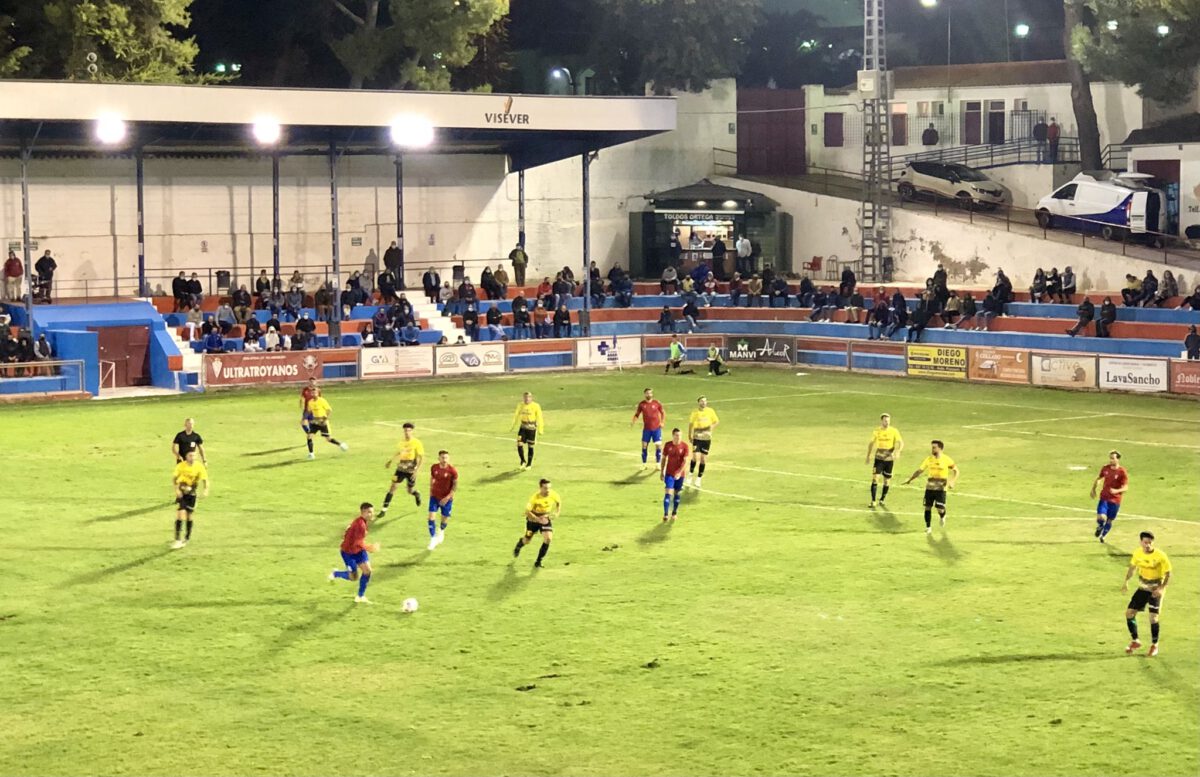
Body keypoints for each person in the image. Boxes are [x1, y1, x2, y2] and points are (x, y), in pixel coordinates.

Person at [1121, 531, 1170, 657]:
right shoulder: (1137, 553)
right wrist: (1126, 581)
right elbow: (1132, 568)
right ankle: (1135, 641)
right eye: (1145, 542)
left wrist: (1161, 589)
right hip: (1143, 588)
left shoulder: (1160, 556)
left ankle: (1155, 645)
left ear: (1153, 542)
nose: (1147, 545)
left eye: (1150, 542)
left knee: (1153, 618)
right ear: (1141, 542)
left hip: (1155, 589)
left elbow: (1168, 574)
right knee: (1129, 613)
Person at [902, 440, 959, 535]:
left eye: (934, 447)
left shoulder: (946, 459)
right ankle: (928, 527)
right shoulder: (929, 459)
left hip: (941, 488)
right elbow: (919, 471)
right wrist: (910, 479)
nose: (932, 449)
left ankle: (942, 516)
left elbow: (956, 471)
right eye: (932, 447)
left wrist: (952, 481)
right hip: (930, 488)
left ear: (940, 448)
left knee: (940, 508)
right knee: (927, 507)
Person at [327, 502, 379, 604]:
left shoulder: (360, 521)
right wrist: (370, 548)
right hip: (348, 553)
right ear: (363, 512)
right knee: (353, 577)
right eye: (369, 512)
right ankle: (336, 573)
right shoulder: (360, 525)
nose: (372, 514)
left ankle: (360, 596)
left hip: (358, 550)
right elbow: (357, 542)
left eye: (372, 512)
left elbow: (348, 533)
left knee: (367, 571)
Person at [378, 422, 424, 520]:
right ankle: (383, 510)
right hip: (400, 468)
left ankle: (416, 494)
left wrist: (416, 471)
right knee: (393, 487)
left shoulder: (416, 443)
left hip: (411, 469)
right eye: (405, 430)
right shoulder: (401, 442)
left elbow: (421, 457)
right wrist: (390, 461)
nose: (407, 432)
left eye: (409, 430)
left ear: (412, 431)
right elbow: (399, 452)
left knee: (409, 490)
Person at [513, 478, 561, 568]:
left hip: (545, 519)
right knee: (527, 539)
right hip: (532, 520)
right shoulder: (534, 498)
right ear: (540, 488)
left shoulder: (553, 494)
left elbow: (558, 502)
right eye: (545, 488)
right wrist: (537, 519)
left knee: (548, 539)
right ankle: (520, 544)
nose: (548, 490)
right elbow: (527, 512)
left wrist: (557, 512)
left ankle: (538, 561)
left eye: (549, 488)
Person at [169, 449, 209, 549]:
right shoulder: (181, 466)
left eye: (194, 456)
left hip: (192, 494)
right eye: (190, 455)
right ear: (186, 457)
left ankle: (186, 538)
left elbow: (205, 480)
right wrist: (177, 490)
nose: (192, 457)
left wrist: (205, 490)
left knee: (189, 516)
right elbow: (174, 479)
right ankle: (177, 539)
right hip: (182, 492)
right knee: (180, 514)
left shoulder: (199, 466)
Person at [866, 413, 904, 508]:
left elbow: (901, 442)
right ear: (881, 421)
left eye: (888, 421)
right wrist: (868, 455)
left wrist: (898, 451)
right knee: (875, 479)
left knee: (887, 481)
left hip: (889, 459)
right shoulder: (877, 431)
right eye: (885, 421)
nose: (887, 422)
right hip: (879, 458)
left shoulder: (894, 431)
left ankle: (882, 499)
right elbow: (871, 443)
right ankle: (873, 501)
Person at [1090, 450, 1128, 543]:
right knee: (1101, 517)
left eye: (1113, 458)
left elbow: (1126, 487)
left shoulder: (1122, 471)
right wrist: (1094, 488)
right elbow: (1099, 478)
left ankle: (1103, 536)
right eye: (1110, 458)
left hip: (1115, 500)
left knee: (1110, 520)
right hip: (1104, 498)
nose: (1111, 460)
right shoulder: (1105, 468)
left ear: (1118, 459)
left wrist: (1117, 490)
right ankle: (1100, 526)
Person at [424, 450, 458, 550]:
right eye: (442, 458)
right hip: (434, 496)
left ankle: (442, 530)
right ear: (439, 458)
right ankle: (433, 538)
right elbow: (432, 478)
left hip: (447, 498)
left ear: (449, 458)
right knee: (431, 517)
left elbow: (455, 486)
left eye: (446, 458)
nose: (444, 460)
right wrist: (431, 489)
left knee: (445, 518)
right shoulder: (434, 467)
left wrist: (447, 497)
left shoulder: (452, 471)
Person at [305, 388, 349, 459]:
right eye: (312, 393)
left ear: (318, 393)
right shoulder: (310, 402)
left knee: (328, 439)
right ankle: (311, 454)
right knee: (309, 436)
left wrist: (325, 419)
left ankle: (340, 444)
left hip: (323, 421)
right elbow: (309, 411)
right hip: (315, 422)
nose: (313, 394)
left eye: (315, 392)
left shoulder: (322, 401)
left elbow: (329, 410)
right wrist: (310, 419)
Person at [686, 396, 719, 488]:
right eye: (702, 401)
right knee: (695, 457)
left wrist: (710, 429)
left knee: (703, 459)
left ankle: (699, 479)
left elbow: (716, 421)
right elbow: (691, 424)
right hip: (697, 437)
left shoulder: (710, 411)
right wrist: (689, 434)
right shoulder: (695, 413)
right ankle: (690, 475)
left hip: (706, 438)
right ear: (698, 403)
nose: (704, 403)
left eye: (705, 401)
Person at [659, 428, 690, 522]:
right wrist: (661, 471)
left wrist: (680, 472)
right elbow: (664, 458)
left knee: (677, 494)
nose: (678, 437)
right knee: (668, 493)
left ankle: (674, 513)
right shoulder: (668, 445)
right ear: (673, 435)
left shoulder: (684, 446)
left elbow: (685, 461)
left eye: (680, 435)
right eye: (676, 435)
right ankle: (665, 514)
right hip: (669, 474)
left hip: (680, 475)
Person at [631, 387, 665, 468]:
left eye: (650, 393)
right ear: (644, 394)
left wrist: (662, 422)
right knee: (644, 445)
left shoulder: (656, 403)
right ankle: (644, 464)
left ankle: (658, 464)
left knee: (658, 446)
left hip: (656, 429)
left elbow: (663, 412)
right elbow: (637, 414)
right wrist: (633, 421)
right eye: (647, 393)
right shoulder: (642, 404)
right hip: (646, 429)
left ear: (652, 394)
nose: (648, 394)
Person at [511, 391, 544, 470]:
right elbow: (516, 415)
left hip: (531, 428)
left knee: (530, 446)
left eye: (528, 398)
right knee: (519, 443)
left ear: (531, 398)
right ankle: (523, 461)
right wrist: (513, 426)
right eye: (525, 398)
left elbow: (539, 417)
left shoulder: (536, 406)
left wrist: (540, 429)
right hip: (523, 427)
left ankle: (529, 464)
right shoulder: (520, 405)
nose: (526, 399)